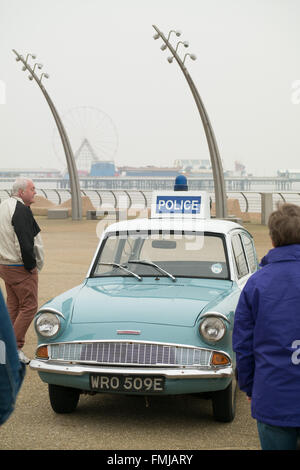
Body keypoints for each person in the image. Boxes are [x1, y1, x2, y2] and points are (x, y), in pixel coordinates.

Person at [233, 203, 300, 450]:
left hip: (273, 396)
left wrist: (249, 385)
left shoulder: (256, 284)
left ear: (272, 239)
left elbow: (243, 344)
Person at [0, 178, 44, 364]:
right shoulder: (21, 210)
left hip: (4, 264)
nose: (35, 192)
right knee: (29, 307)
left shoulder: (3, 206)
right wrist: (31, 265)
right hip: (19, 266)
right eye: (32, 189)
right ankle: (13, 349)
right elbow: (25, 243)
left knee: (14, 305)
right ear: (21, 192)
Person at [0, 288, 25, 425]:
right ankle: (17, 344)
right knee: (29, 306)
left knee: (13, 304)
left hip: (6, 268)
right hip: (21, 268)